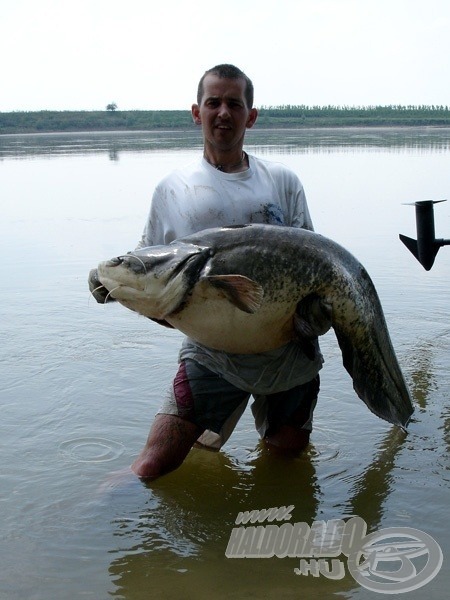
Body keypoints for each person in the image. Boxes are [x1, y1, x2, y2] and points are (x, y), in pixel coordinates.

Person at [90, 64, 323, 480]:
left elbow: (313, 268)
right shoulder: (172, 190)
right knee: (153, 465)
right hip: (211, 354)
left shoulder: (284, 182)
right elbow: (149, 273)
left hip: (288, 353)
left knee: (286, 461)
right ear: (196, 112)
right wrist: (116, 288)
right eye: (213, 102)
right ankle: (100, 514)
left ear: (251, 116)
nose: (223, 112)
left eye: (234, 103)